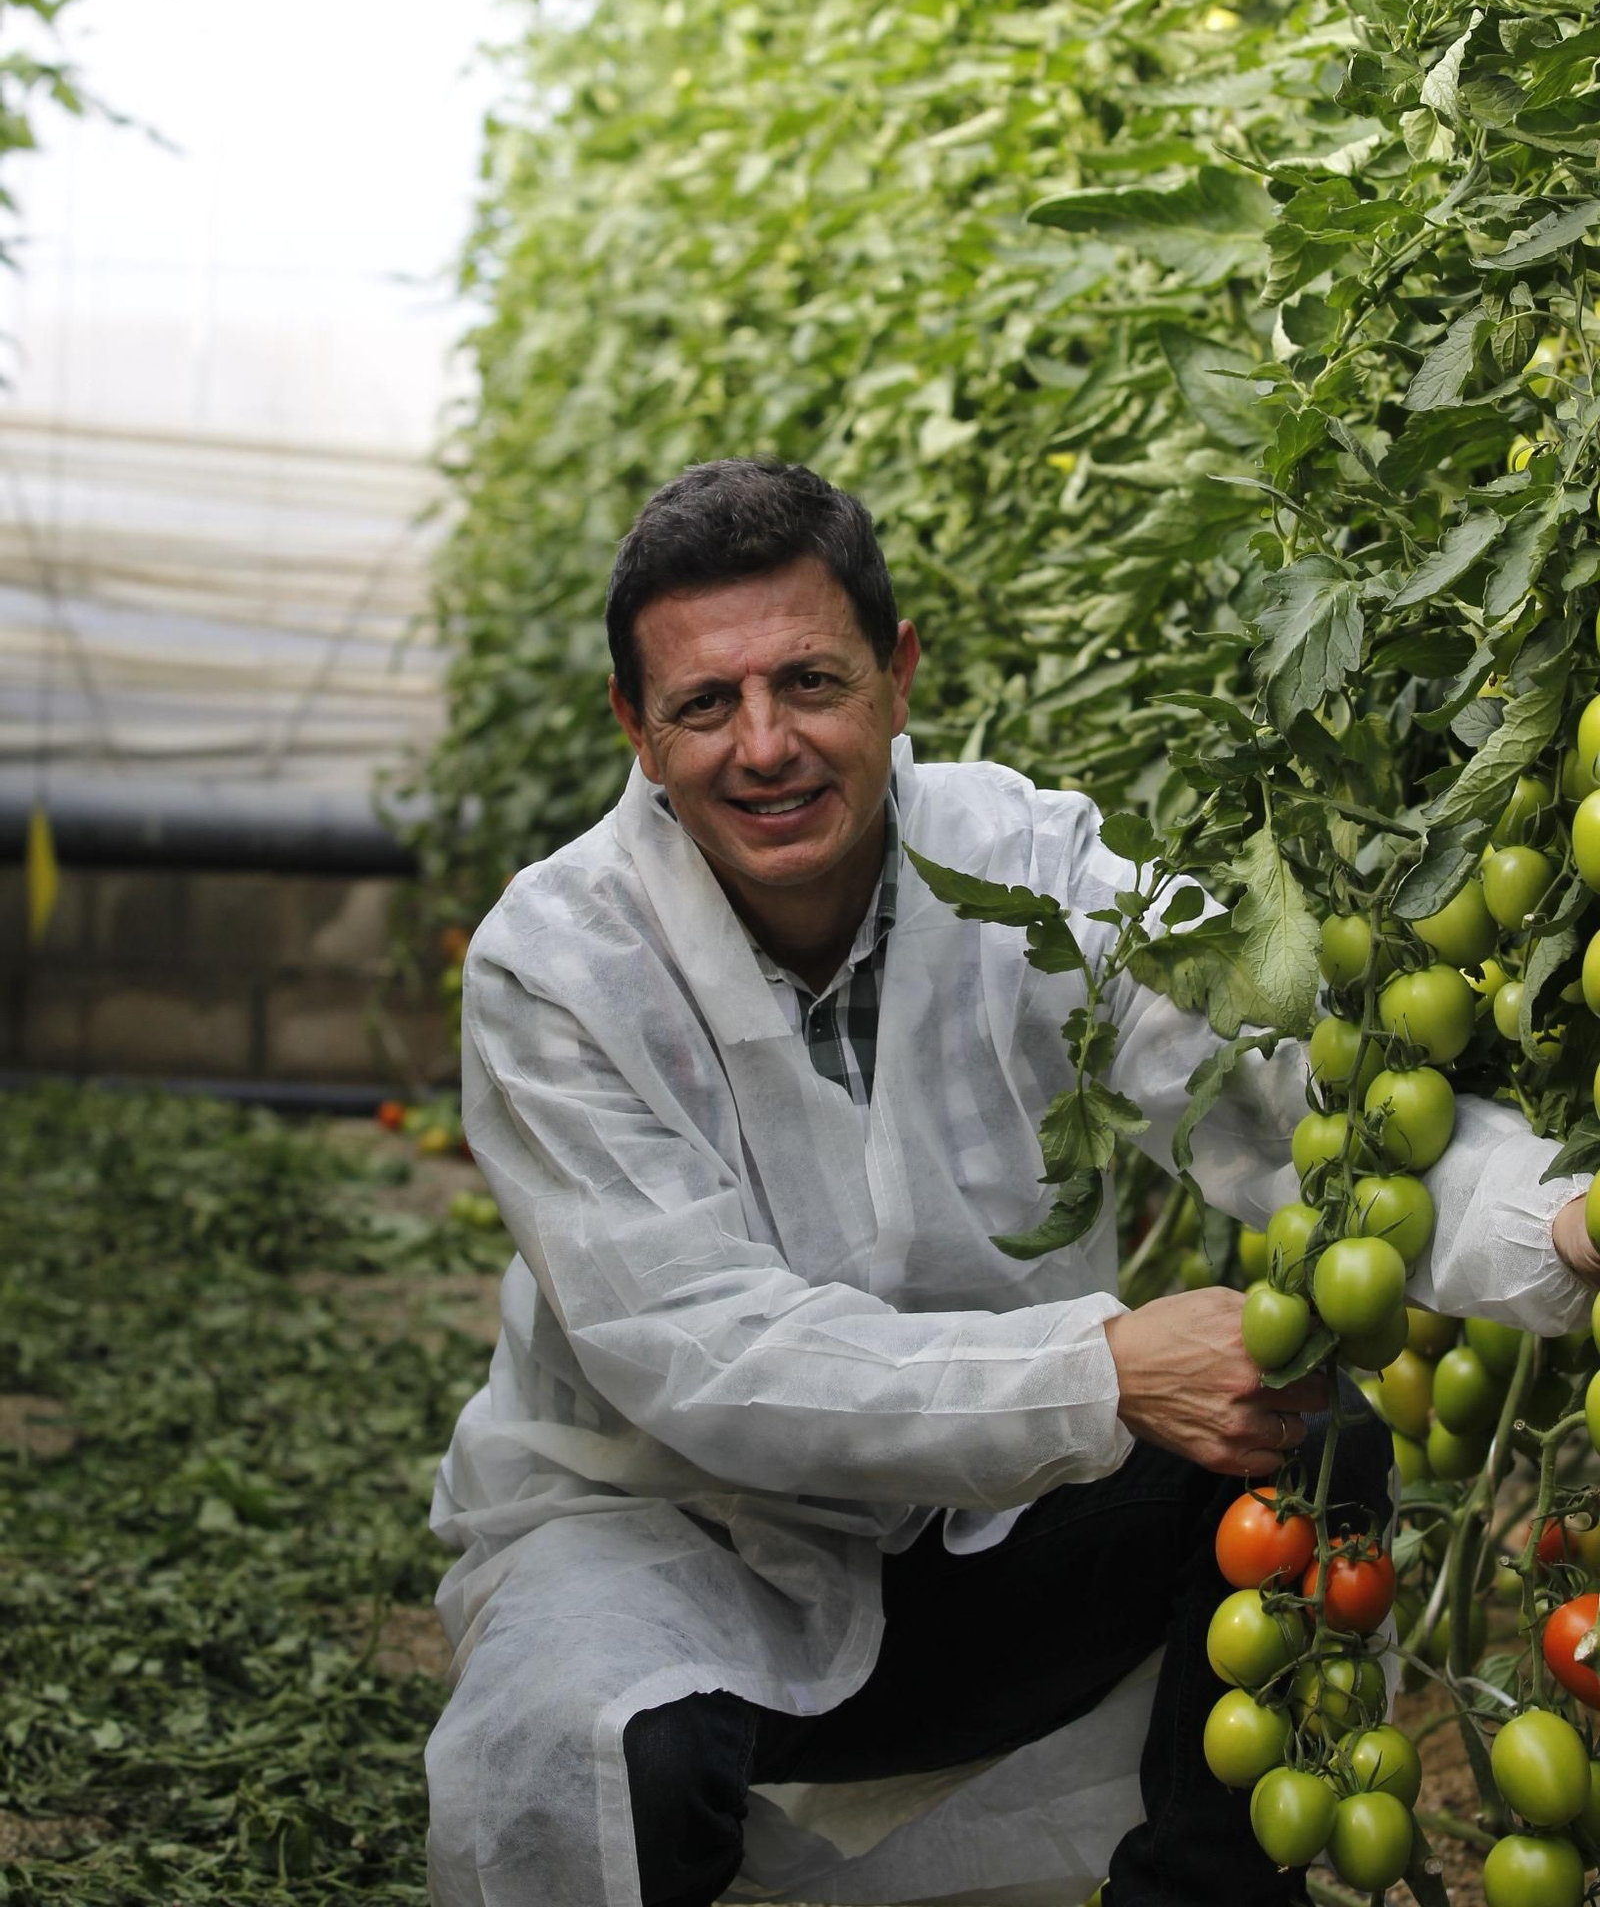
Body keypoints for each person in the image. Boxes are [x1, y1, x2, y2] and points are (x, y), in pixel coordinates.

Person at [425, 458, 1600, 1907]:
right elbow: (706, 1352)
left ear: (900, 674)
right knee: (602, 1763)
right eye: (704, 705)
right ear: (635, 729)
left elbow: (1280, 1089)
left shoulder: (1028, 865)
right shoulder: (557, 969)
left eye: (810, 681)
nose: (766, 744)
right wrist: (1097, 1373)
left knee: (1304, 1435)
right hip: (661, 1537)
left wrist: (1557, 1216)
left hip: (975, 1543)